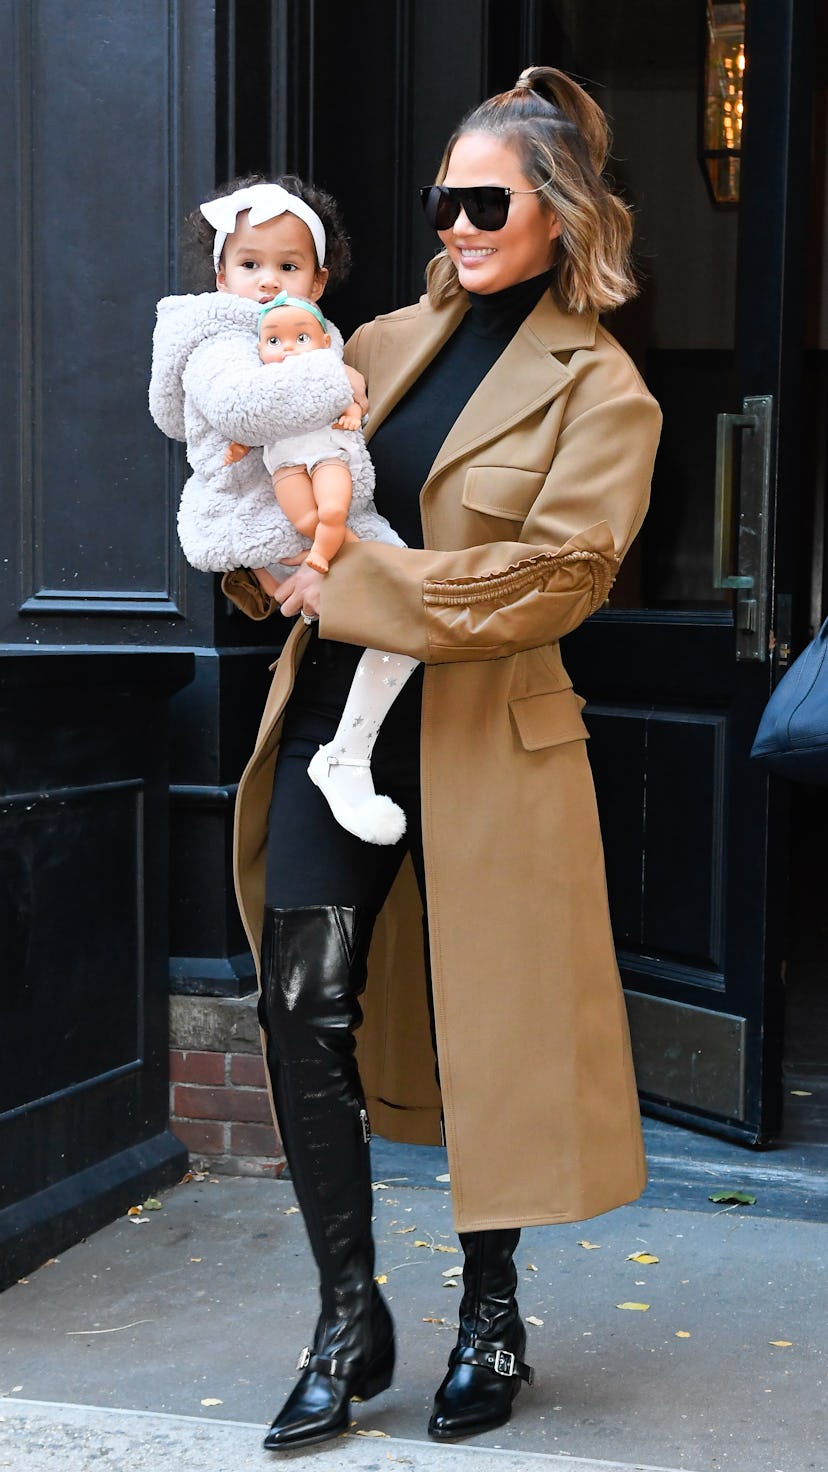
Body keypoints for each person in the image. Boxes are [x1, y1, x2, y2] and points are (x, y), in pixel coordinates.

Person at [223, 67, 663, 1452]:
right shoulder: (384, 335)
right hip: (332, 728)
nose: (458, 223)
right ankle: (348, 1319)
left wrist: (350, 593)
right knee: (302, 1007)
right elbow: (314, 496)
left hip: (488, 739)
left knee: (496, 1034)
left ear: (562, 216)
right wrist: (268, 559)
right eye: (445, 199)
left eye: (487, 201)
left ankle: (491, 1315)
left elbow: (559, 578)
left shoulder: (605, 384)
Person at [148, 178, 418, 843]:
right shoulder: (214, 339)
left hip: (328, 510)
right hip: (256, 513)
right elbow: (247, 408)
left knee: (412, 599)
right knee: (383, 601)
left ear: (318, 281)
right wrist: (337, 380)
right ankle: (346, 755)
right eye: (249, 264)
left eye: (288, 266)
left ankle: (347, 753)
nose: (268, 281)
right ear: (220, 273)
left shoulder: (310, 334)